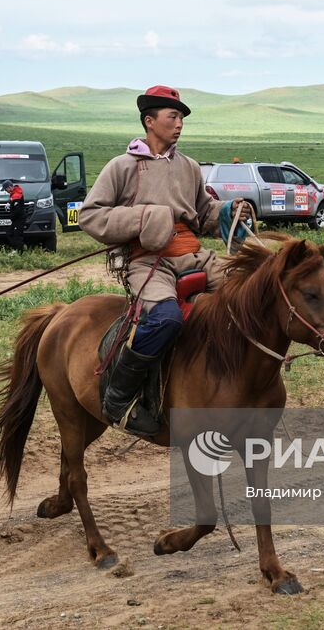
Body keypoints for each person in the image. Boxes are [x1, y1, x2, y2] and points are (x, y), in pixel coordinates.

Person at [79, 85, 250, 433]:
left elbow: (202, 214)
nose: (179, 124)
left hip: (193, 254)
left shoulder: (188, 167)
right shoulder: (122, 167)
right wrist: (143, 219)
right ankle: (119, 396)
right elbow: (91, 216)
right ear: (149, 121)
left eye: (182, 118)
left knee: (249, 295)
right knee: (167, 319)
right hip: (146, 261)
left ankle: (239, 389)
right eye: (173, 117)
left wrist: (228, 211)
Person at [1, 179, 27, 251]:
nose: (6, 191)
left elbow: (17, 210)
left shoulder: (16, 195)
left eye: (6, 189)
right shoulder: (13, 194)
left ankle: (19, 251)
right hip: (16, 219)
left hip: (19, 219)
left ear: (9, 187)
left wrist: (11, 216)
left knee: (17, 236)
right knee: (9, 233)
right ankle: (17, 248)